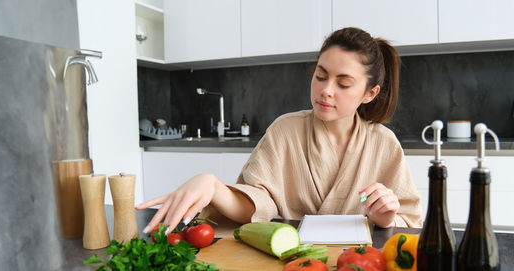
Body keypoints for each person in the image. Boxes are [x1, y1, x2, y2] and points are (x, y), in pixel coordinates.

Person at [137, 27, 422, 234]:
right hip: (289, 261)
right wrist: (214, 187)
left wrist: (387, 217)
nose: (325, 90)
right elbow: (257, 203)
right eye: (320, 76)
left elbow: (409, 224)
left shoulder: (384, 144)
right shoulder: (286, 130)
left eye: (343, 83)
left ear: (369, 93)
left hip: (358, 263)